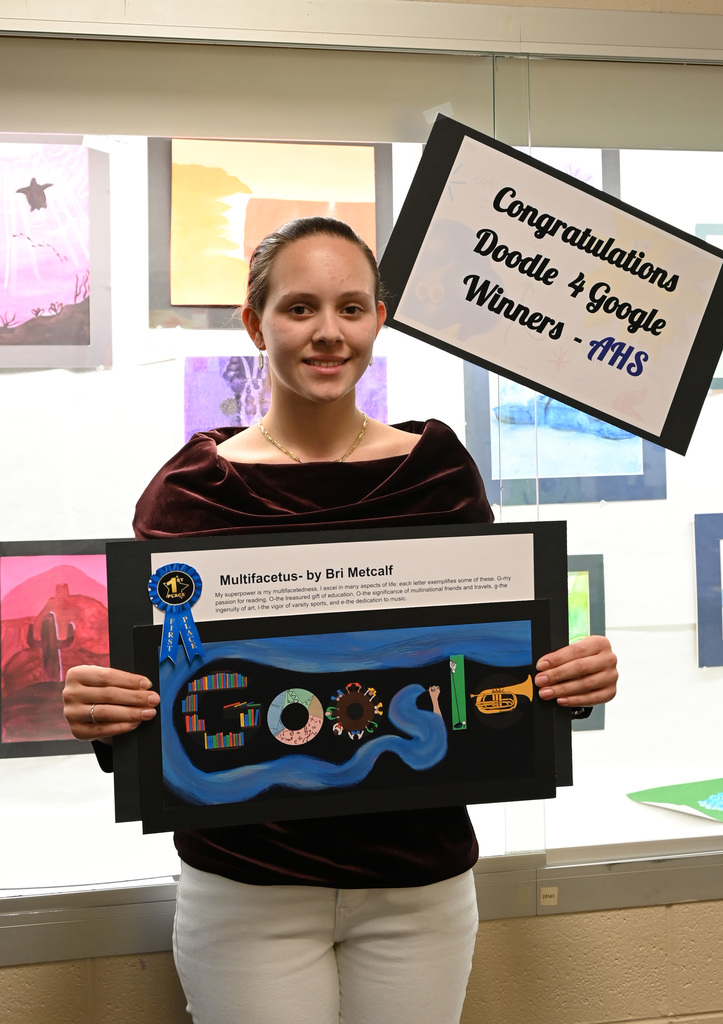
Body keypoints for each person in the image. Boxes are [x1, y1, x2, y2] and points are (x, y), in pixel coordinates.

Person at [63, 216, 617, 1024]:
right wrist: (105, 715)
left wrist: (569, 681)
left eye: (351, 308)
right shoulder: (190, 492)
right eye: (299, 308)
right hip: (246, 885)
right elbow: (158, 694)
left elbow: (485, 664)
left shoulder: (437, 474)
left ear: (377, 320)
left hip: (418, 882)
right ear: (255, 324)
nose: (328, 332)